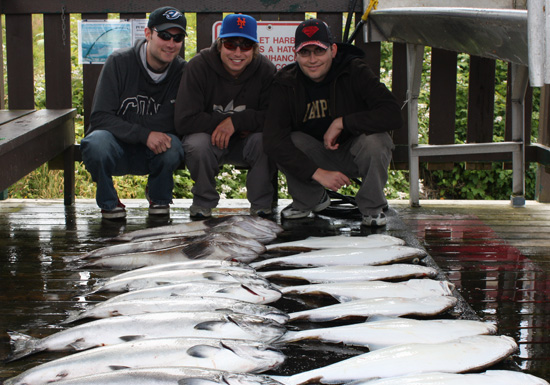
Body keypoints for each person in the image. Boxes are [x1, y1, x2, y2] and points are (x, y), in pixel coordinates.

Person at [263, 18, 404, 227]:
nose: (312, 59)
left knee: (377, 140)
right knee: (289, 141)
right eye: (305, 52)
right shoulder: (285, 82)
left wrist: (343, 122)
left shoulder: (354, 70)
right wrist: (317, 173)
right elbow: (273, 140)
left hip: (354, 152)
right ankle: (308, 200)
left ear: (333, 50)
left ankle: (372, 207)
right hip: (315, 156)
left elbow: (393, 114)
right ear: (296, 55)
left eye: (319, 51)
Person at [80, 6, 187, 220]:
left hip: (156, 150)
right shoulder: (119, 62)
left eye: (177, 38)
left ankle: (158, 197)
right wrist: (144, 134)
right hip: (117, 146)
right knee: (95, 143)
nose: (171, 43)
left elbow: (181, 121)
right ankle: (109, 202)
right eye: (164, 35)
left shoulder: (183, 71)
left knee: (173, 146)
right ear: (148, 34)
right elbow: (100, 117)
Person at [174, 13, 277, 219]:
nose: (237, 52)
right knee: (196, 144)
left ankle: (262, 206)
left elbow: (275, 118)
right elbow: (184, 120)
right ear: (220, 45)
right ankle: (203, 202)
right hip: (210, 140)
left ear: (255, 49)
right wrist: (224, 125)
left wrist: (236, 122)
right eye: (230, 45)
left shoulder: (266, 70)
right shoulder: (198, 66)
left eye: (246, 46)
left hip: (247, 142)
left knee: (267, 141)